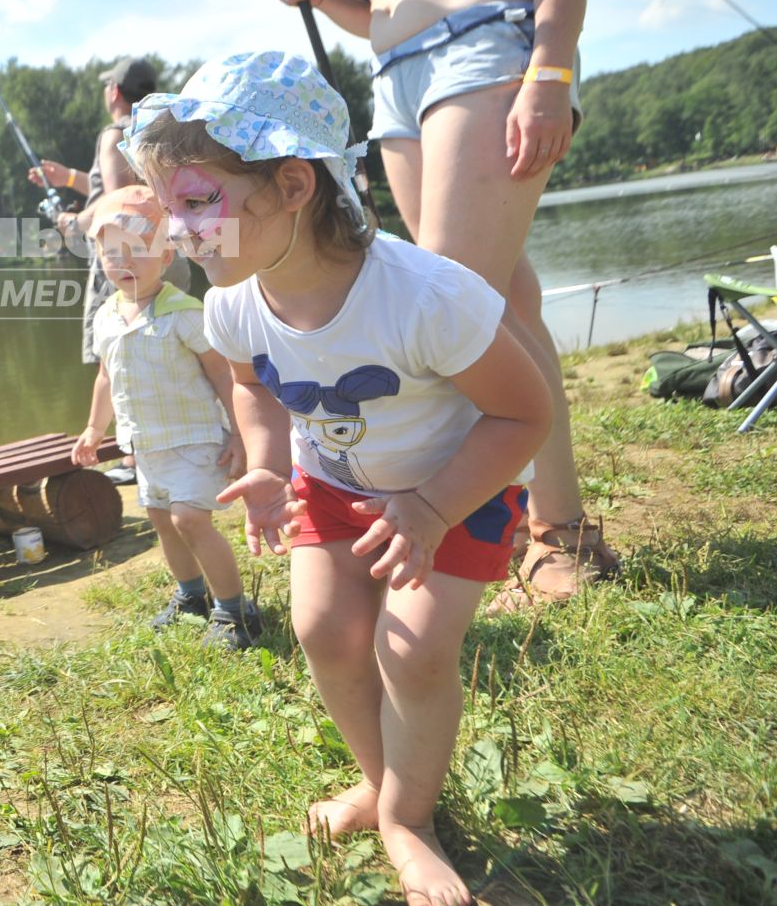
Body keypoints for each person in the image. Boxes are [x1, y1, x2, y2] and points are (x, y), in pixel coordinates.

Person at [123, 51, 551, 906]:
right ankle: (381, 779)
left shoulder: (427, 296)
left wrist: (429, 507)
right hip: (331, 483)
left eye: (197, 203)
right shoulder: (233, 302)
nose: (178, 233)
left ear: (293, 185)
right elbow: (253, 386)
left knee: (415, 649)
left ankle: (410, 819)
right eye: (171, 210)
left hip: (451, 488)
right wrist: (269, 464)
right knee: (322, 627)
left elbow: (524, 414)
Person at [272, 0, 618, 604]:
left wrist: (550, 70)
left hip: (490, 56)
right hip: (397, 86)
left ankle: (490, 531)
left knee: (454, 305)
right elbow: (380, 11)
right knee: (499, 297)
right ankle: (564, 523)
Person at [70, 185, 257, 649]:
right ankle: (191, 595)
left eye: (137, 250)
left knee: (189, 520)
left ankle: (233, 610)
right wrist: (95, 428)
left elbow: (224, 375)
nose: (123, 262)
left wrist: (240, 433)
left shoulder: (184, 313)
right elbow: (106, 378)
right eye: (112, 253)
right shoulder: (108, 317)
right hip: (145, 444)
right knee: (161, 519)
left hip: (194, 439)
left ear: (167, 250)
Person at [27, 55, 157, 366]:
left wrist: (75, 222)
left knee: (111, 358)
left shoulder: (114, 134)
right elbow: (133, 190)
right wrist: (69, 178)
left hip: (121, 262)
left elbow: (117, 198)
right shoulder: (157, 130)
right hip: (160, 258)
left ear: (114, 91)